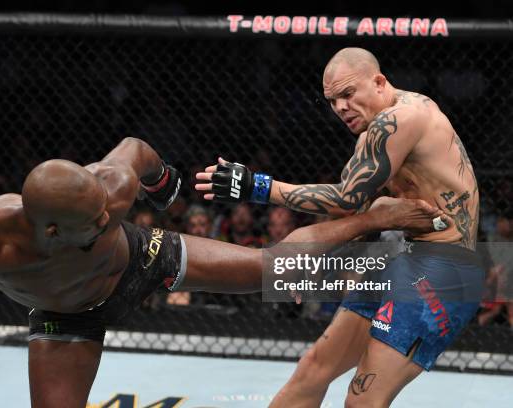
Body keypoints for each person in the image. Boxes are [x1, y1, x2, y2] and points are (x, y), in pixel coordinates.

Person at [0, 137, 444, 408]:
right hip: (66, 316)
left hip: (142, 257)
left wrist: (164, 186)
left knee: (270, 271)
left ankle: (375, 221)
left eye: (106, 210)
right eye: (92, 223)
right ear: (47, 231)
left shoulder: (107, 191)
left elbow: (136, 150)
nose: (107, 216)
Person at [196, 47, 483, 407]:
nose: (341, 107)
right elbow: (362, 213)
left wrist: (260, 186)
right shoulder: (372, 134)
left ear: (378, 82)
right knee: (312, 370)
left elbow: (346, 199)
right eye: (333, 100)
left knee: (362, 401)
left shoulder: (402, 119)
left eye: (349, 94)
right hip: (400, 258)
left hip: (445, 270)